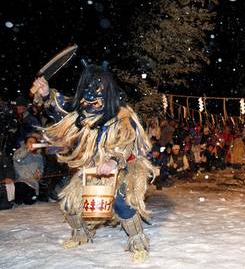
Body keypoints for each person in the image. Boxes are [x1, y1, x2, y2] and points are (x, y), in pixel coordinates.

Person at [32, 62, 158, 262]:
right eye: (88, 90)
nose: (92, 97)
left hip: (125, 167)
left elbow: (127, 143)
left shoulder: (123, 116)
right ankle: (80, 235)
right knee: (70, 203)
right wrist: (46, 93)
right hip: (92, 168)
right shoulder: (82, 114)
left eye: (98, 91)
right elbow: (61, 111)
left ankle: (138, 243)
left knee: (122, 202)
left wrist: (114, 161)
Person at [13, 134, 44, 205]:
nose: (32, 144)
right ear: (25, 143)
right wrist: (28, 150)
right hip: (21, 182)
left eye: (34, 142)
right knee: (19, 201)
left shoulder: (39, 156)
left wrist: (39, 174)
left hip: (33, 184)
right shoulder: (19, 151)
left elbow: (41, 168)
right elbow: (17, 158)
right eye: (30, 142)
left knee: (30, 202)